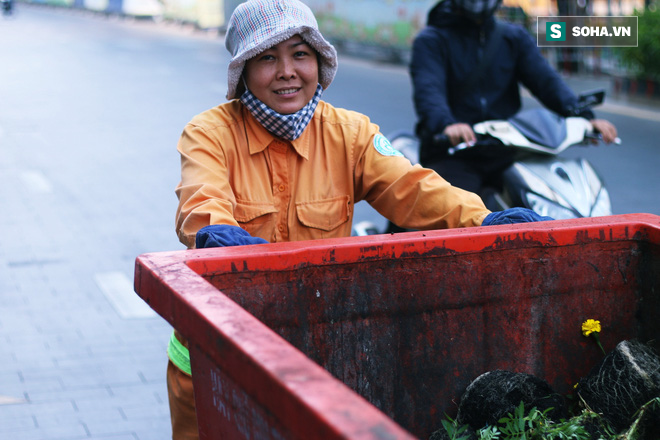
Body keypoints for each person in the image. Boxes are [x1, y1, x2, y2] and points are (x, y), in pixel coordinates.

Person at [170, 0, 552, 438]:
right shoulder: (208, 133)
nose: (287, 71)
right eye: (266, 58)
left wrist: (484, 221)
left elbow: (414, 188)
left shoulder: (352, 133)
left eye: (300, 54)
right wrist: (218, 235)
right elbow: (203, 200)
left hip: (312, 355)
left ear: (319, 62)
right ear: (243, 71)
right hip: (216, 357)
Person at [410, 0, 618, 195]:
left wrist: (584, 116)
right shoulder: (431, 41)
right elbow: (429, 90)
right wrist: (447, 125)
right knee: (456, 215)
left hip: (506, 150)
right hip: (453, 152)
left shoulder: (513, 38)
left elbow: (546, 81)